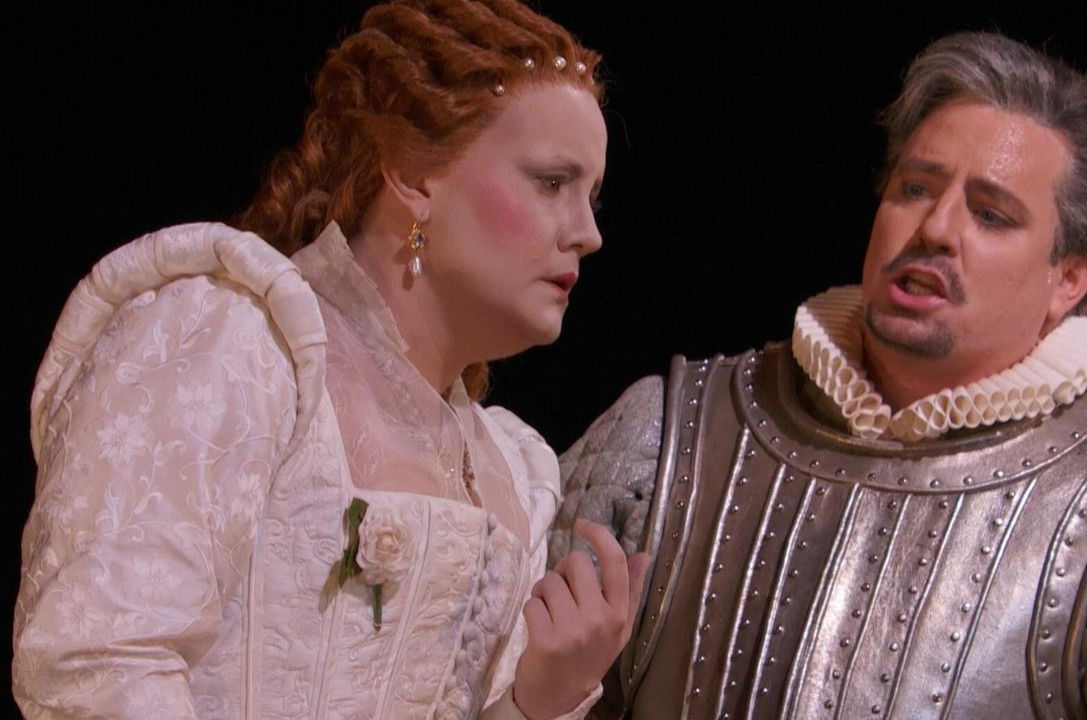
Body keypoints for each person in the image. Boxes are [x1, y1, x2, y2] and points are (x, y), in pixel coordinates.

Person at [552, 32, 1087, 719]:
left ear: (1070, 277)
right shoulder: (669, 436)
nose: (936, 228)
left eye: (991, 214)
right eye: (916, 188)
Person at [13, 1, 647, 717]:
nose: (588, 233)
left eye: (591, 198)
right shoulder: (232, 344)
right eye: (551, 182)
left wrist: (536, 702)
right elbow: (95, 666)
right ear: (412, 174)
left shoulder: (515, 473)